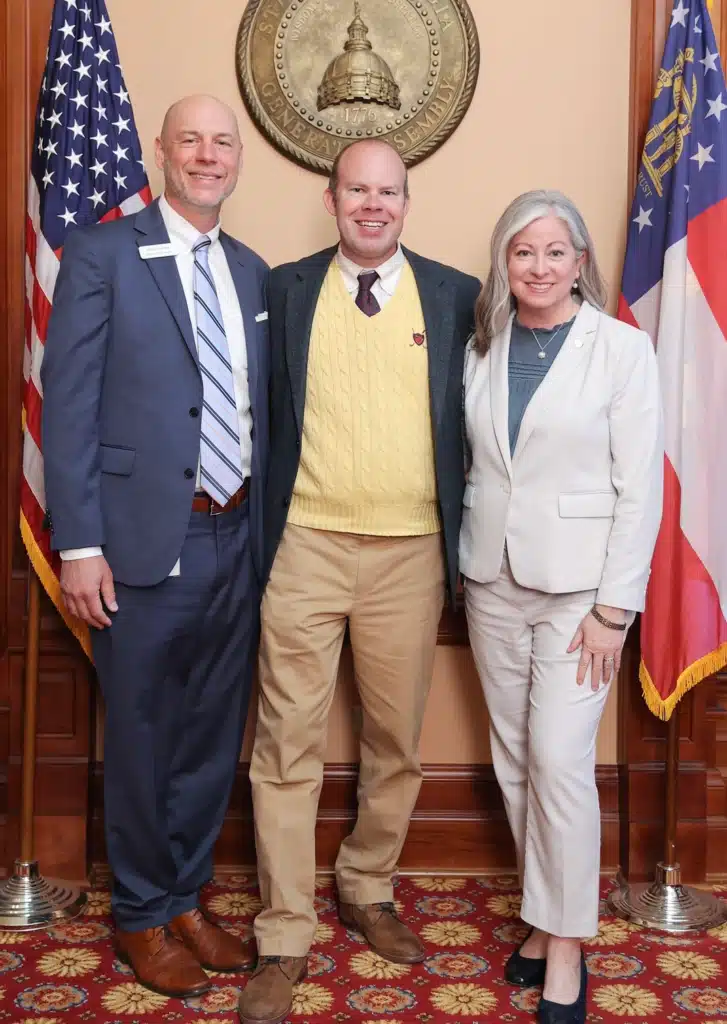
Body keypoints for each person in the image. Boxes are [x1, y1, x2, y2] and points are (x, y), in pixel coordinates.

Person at [237, 139, 480, 1024]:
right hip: (302, 544)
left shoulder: (455, 294)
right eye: (357, 191)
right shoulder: (283, 290)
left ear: (405, 203)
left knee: (395, 741)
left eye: (388, 192)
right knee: (284, 745)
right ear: (331, 199)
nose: (372, 205)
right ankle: (284, 932)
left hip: (410, 551)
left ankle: (367, 884)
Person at [41, 95, 269, 998]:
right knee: (141, 735)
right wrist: (80, 543)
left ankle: (183, 896)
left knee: (212, 737)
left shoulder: (251, 272)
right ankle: (138, 913)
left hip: (235, 534)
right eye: (191, 141)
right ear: (160, 152)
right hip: (137, 542)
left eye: (222, 143)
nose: (207, 156)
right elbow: (68, 407)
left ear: (235, 158)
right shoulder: (101, 254)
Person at [460, 189, 663, 1024]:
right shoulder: (481, 346)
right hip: (490, 579)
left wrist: (614, 611)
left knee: (558, 760)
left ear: (579, 260)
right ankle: (543, 920)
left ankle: (567, 947)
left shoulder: (620, 350)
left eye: (553, 251)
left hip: (582, 592)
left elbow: (638, 488)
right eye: (521, 252)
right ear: (503, 264)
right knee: (515, 758)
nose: (537, 267)